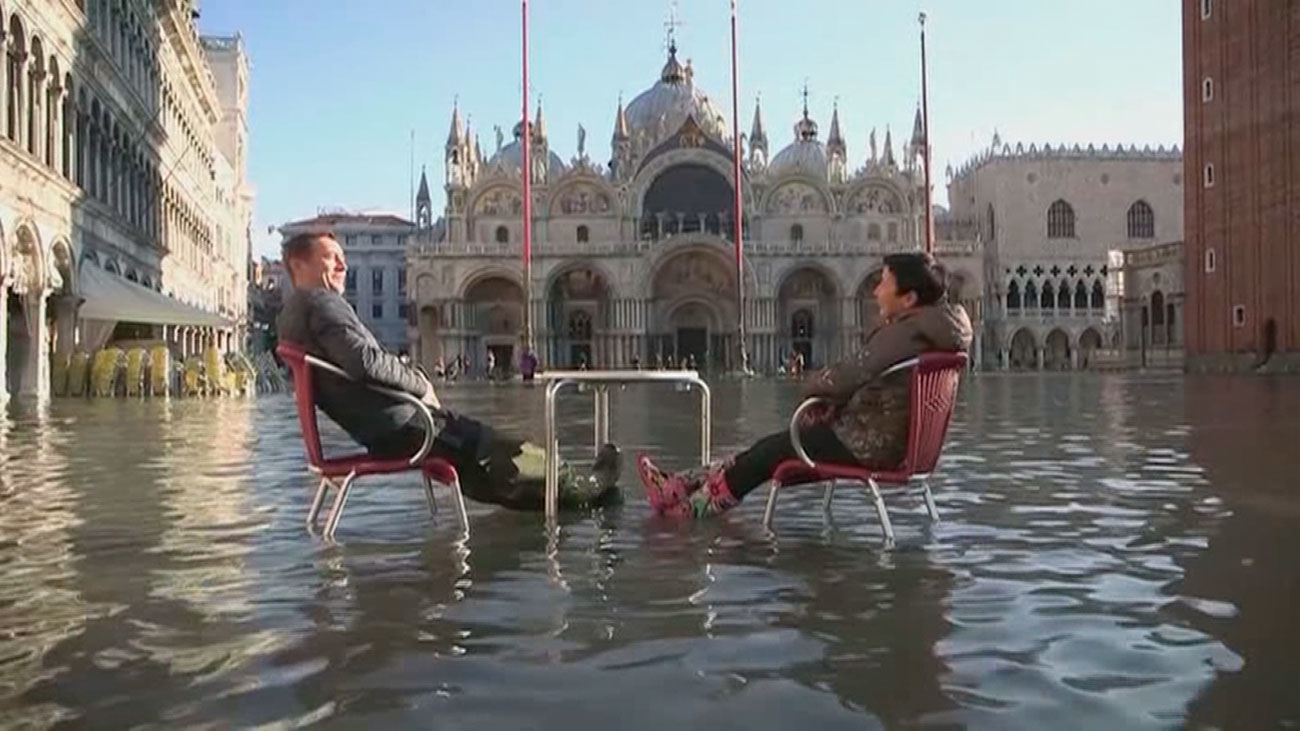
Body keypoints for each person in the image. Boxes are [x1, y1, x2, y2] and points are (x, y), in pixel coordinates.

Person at [276, 232, 621, 511]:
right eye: (330, 256)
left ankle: (559, 493)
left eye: (342, 256)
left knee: (482, 459)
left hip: (383, 430)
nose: (342, 263)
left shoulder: (292, 315)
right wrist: (420, 383)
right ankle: (582, 487)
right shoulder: (321, 303)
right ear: (298, 263)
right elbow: (364, 362)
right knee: (500, 451)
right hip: (404, 426)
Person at [637, 252, 971, 519]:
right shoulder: (933, 330)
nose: (875, 290)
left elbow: (850, 374)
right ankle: (680, 485)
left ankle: (691, 510)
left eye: (883, 282)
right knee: (768, 450)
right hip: (884, 441)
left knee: (770, 451)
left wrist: (811, 387)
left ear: (909, 297)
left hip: (868, 444)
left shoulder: (906, 332)